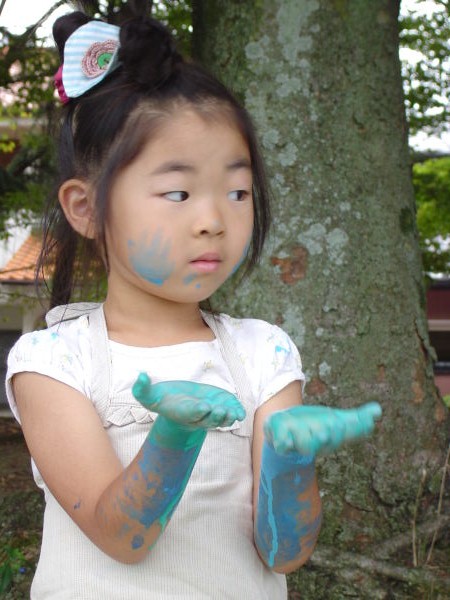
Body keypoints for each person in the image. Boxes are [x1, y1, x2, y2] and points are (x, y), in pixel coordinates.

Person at [5, 4, 382, 599]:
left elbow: (284, 553)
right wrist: (174, 432)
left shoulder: (264, 352)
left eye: (236, 190)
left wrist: (292, 461)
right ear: (85, 209)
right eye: (177, 192)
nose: (212, 220)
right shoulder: (53, 361)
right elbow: (121, 533)